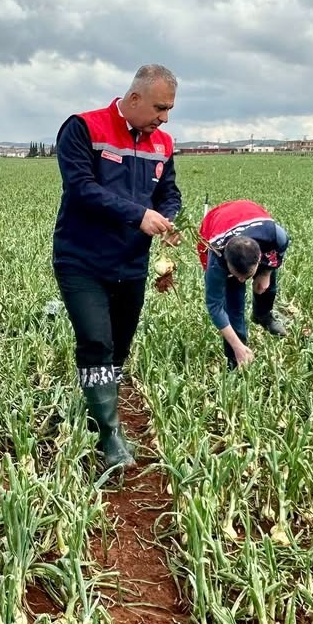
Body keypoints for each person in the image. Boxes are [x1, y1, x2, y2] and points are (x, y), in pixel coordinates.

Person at [53, 64, 182, 470]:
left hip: (132, 262)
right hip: (81, 259)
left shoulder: (163, 143)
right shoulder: (83, 128)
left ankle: (98, 406)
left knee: (118, 350)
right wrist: (139, 215)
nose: (164, 117)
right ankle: (109, 435)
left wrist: (167, 220)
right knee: (95, 341)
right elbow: (82, 188)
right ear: (134, 98)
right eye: (160, 107)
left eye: (170, 109)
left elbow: (169, 192)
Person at [197, 200, 290, 369]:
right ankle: (235, 358)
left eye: (246, 276)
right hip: (217, 224)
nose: (242, 280)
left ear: (259, 257)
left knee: (268, 287)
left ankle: (263, 315)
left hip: (249, 214)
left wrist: (267, 272)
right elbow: (215, 307)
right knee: (234, 307)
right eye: (237, 275)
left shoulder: (275, 236)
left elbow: (281, 248)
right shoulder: (216, 260)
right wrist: (237, 346)